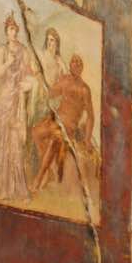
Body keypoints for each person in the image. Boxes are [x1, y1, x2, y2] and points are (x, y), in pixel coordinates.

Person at [29, 54, 97, 193]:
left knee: (55, 139)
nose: (76, 64)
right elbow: (51, 94)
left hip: (69, 127)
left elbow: (91, 116)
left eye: (79, 62)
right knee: (35, 132)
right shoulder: (64, 80)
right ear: (70, 64)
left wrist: (88, 139)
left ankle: (40, 176)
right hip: (55, 120)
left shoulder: (84, 89)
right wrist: (40, 77)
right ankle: (49, 169)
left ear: (82, 67)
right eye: (74, 61)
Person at [0, 13, 35, 201]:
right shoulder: (2, 50)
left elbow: (29, 73)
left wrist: (29, 84)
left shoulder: (24, 51)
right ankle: (5, 189)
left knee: (16, 144)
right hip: (4, 100)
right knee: (3, 144)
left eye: (16, 29)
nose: (14, 32)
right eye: (11, 29)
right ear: (6, 32)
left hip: (17, 99)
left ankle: (20, 189)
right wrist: (8, 63)